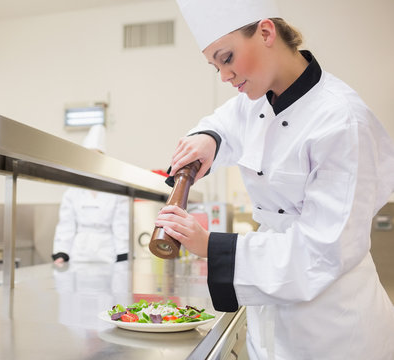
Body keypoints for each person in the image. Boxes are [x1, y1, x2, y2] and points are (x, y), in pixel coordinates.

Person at [154, 0, 394, 359]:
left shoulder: (342, 121)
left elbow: (321, 252)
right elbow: (224, 124)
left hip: (334, 329)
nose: (224, 76)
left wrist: (211, 246)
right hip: (271, 319)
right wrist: (208, 138)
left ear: (266, 32)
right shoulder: (257, 99)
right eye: (215, 65)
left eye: (227, 58)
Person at [52, 125, 129, 264]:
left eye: (97, 156)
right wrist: (61, 252)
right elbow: (66, 225)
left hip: (107, 253)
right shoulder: (72, 192)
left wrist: (123, 254)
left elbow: (121, 226)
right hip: (79, 254)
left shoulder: (116, 190)